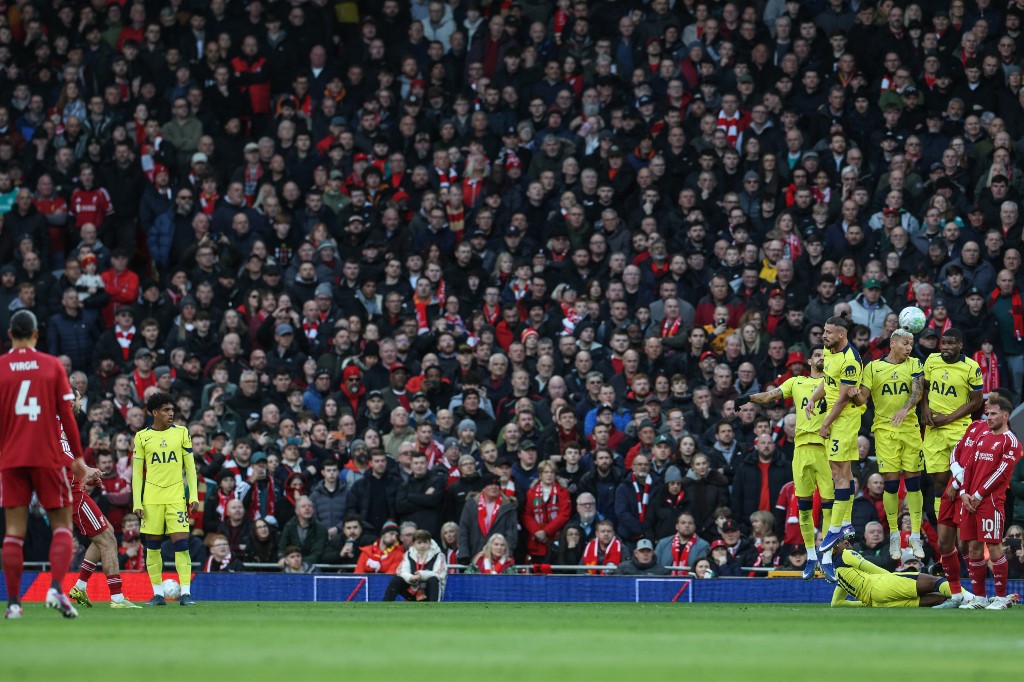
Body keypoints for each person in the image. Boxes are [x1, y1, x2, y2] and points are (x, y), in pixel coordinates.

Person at [0, 310, 100, 619]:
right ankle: (56, 589)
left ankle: (14, 604)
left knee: (14, 532)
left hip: (12, 459)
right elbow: (67, 414)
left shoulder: (1, 368)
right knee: (62, 527)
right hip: (47, 458)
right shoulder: (51, 366)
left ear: (9, 334)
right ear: (35, 335)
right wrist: (80, 459)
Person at [741, 343, 834, 578]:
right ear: (809, 362)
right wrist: (748, 397)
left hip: (827, 449)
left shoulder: (835, 383)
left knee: (829, 505)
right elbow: (770, 396)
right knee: (802, 505)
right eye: (817, 355)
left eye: (826, 355)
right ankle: (811, 557)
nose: (822, 358)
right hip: (801, 449)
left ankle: (828, 558)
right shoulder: (797, 383)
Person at [853, 329, 926, 561]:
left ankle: (915, 534)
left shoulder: (914, 363)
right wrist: (854, 394)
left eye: (911, 343)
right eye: (905, 343)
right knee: (891, 485)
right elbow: (863, 398)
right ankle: (894, 533)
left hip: (910, 430)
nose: (909, 348)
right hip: (885, 432)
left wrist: (905, 408)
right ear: (893, 343)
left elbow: (918, 389)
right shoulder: (873, 367)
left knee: (914, 482)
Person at [67, 389, 141, 609]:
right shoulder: (59, 424)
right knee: (108, 539)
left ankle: (79, 587)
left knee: (104, 534)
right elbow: (59, 459)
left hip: (75, 489)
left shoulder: (63, 424)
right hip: (72, 494)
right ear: (69, 400)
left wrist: (84, 475)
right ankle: (117, 598)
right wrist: (85, 469)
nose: (81, 403)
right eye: (78, 399)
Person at [809, 314, 864, 580]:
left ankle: (835, 529)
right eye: (824, 331)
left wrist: (826, 424)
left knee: (838, 472)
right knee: (843, 472)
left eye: (828, 332)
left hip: (843, 421)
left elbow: (843, 398)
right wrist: (813, 397)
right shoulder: (831, 353)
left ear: (841, 335)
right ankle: (844, 522)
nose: (824, 336)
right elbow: (828, 383)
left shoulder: (850, 360)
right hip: (836, 418)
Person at [132, 391, 199, 606]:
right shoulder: (142, 436)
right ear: (154, 413)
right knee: (152, 546)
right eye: (166, 410)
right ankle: (158, 594)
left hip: (176, 497)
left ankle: (186, 593)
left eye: (172, 410)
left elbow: (190, 467)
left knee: (182, 545)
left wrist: (193, 496)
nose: (171, 414)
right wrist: (137, 501)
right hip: (151, 499)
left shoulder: (182, 433)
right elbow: (136, 473)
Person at [956, 396, 1021, 610]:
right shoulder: (982, 437)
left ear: (1005, 415)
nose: (989, 417)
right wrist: (964, 492)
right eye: (988, 413)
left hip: (990, 503)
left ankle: (1001, 597)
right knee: (973, 548)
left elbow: (1002, 474)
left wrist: (978, 494)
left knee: (993, 547)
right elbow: (968, 466)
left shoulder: (1010, 442)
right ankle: (980, 598)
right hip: (970, 501)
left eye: (993, 414)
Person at [922, 328, 983, 520]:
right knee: (938, 480)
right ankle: (943, 521)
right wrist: (924, 409)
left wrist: (948, 418)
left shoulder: (972, 367)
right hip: (934, 429)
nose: (946, 347)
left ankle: (961, 520)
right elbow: (924, 387)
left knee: (961, 479)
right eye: (944, 343)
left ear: (960, 345)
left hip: (959, 429)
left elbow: (976, 401)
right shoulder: (932, 360)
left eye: (951, 343)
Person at [828, 538, 962, 608]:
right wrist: (894, 578)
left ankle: (962, 603)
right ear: (833, 550)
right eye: (838, 542)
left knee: (936, 598)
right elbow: (873, 569)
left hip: (878, 602)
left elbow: (836, 603)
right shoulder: (846, 554)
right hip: (883, 584)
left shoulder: (839, 572)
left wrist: (865, 603)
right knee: (935, 582)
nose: (846, 541)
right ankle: (972, 599)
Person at [458, 474, 517, 561]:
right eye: (490, 484)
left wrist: (508, 553)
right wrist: (464, 553)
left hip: (499, 557)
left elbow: (511, 533)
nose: (494, 487)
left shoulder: (508, 506)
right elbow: (464, 529)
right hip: (474, 553)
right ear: (483, 488)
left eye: (497, 485)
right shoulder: (471, 505)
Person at [383, 529, 446, 602]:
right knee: (397, 579)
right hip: (413, 592)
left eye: (425, 542)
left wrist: (421, 575)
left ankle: (435, 607)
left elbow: (440, 574)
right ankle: (385, 605)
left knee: (434, 580)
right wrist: (410, 577)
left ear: (430, 542)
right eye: (419, 542)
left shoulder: (439, 555)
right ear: (413, 543)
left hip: (430, 594)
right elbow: (401, 571)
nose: (422, 545)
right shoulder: (409, 554)